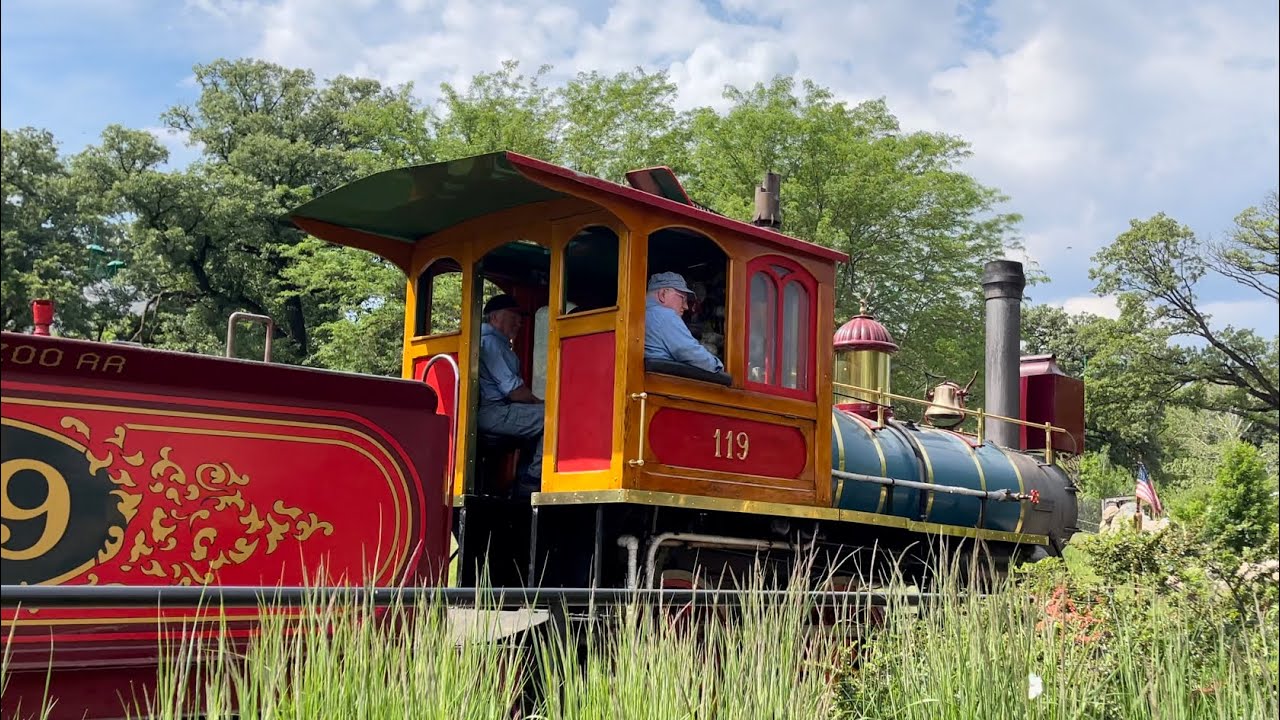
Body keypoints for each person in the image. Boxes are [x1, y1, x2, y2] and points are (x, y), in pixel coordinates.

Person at [476, 293, 543, 497]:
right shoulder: (492, 343)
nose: (519, 322)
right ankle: (531, 480)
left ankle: (523, 478)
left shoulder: (492, 342)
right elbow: (514, 392)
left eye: (520, 318)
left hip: (496, 411)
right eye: (513, 316)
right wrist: (539, 402)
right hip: (494, 412)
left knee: (534, 422)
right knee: (553, 418)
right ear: (495, 317)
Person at [644, 272, 725, 374]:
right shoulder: (664, 315)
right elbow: (690, 352)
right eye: (682, 298)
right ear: (663, 294)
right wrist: (718, 366)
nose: (686, 306)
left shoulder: (642, 313)